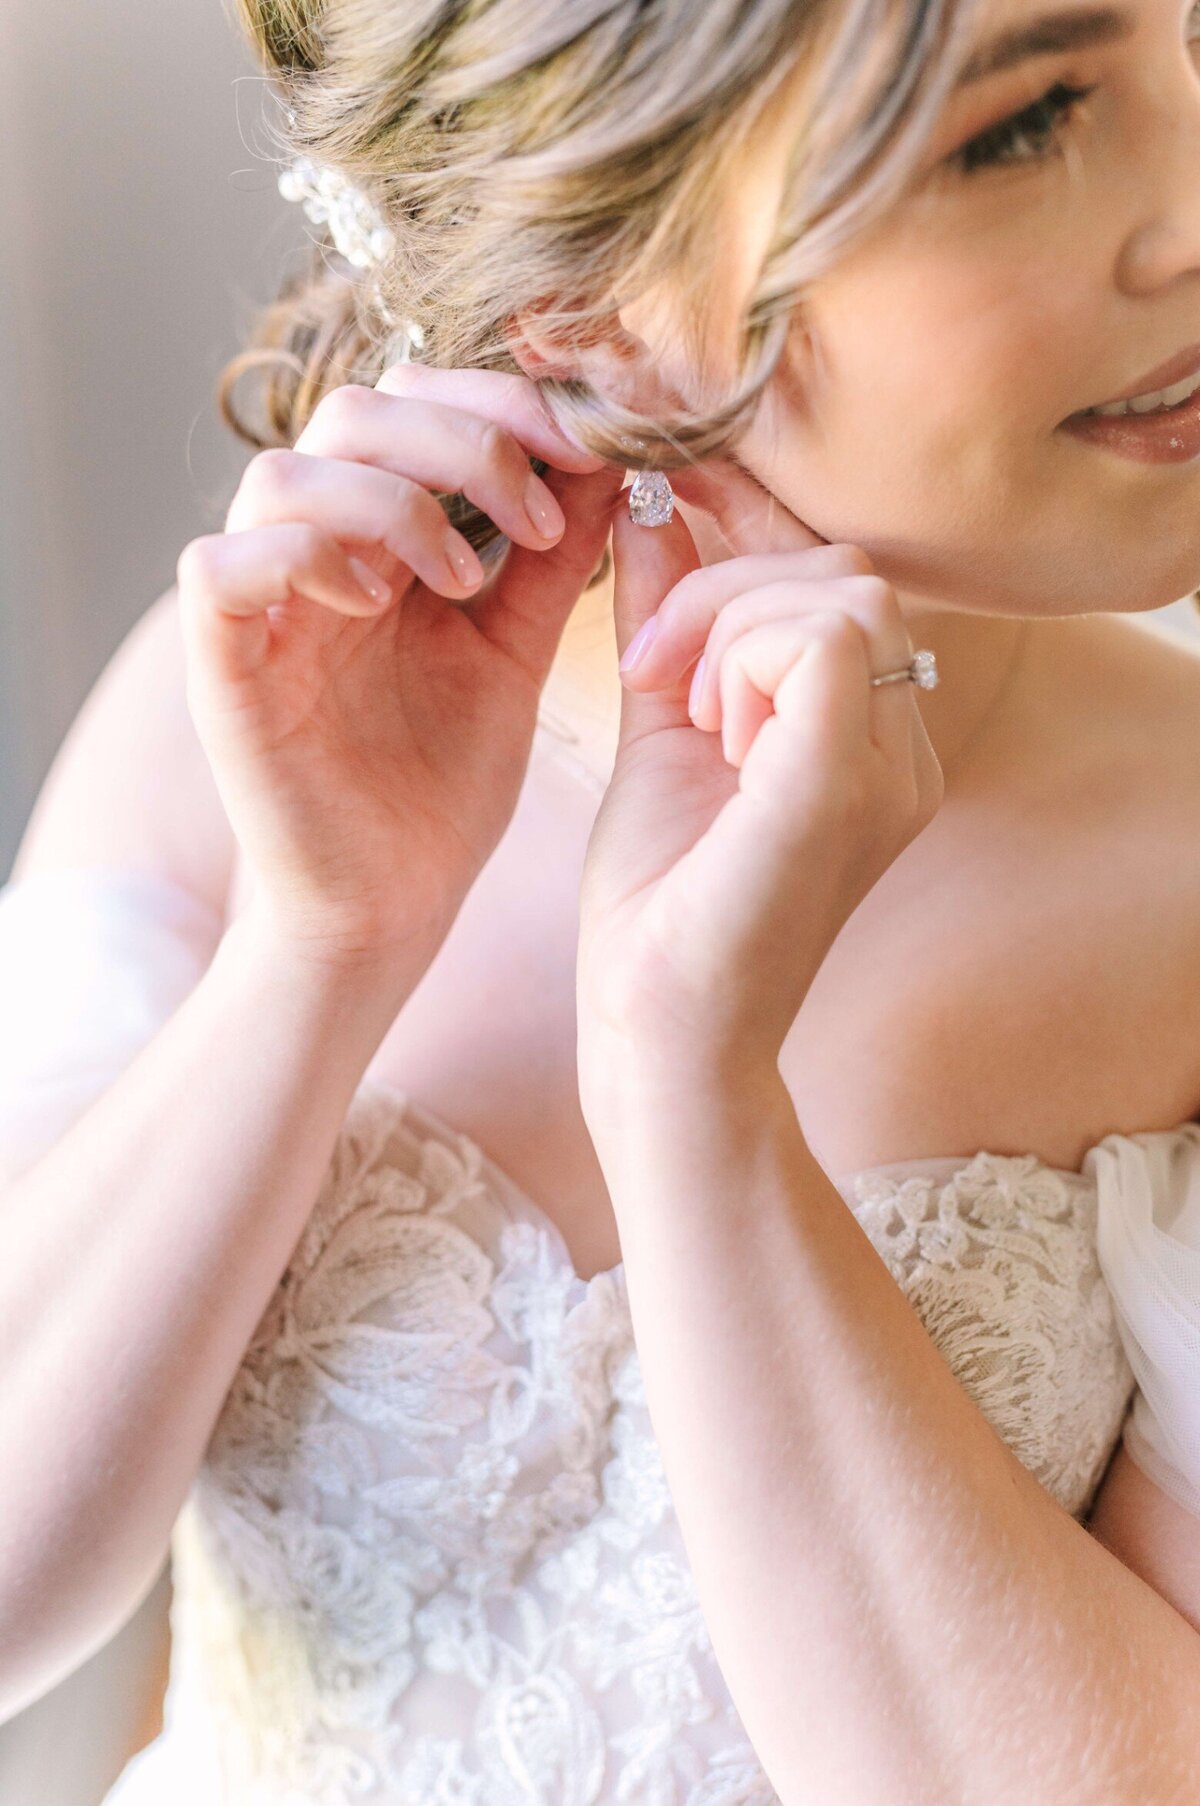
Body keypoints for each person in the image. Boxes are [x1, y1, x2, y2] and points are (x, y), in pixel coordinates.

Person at [4, 0, 1200, 1797]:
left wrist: (692, 1089)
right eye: (1021, 129)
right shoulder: (248, 711)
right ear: (594, 307)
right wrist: (318, 946)